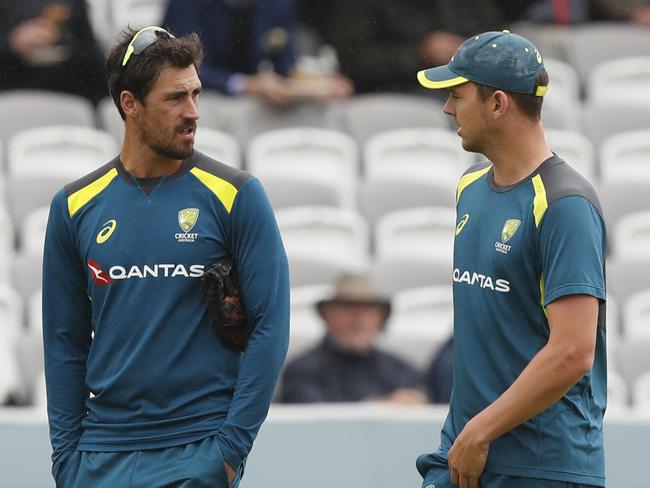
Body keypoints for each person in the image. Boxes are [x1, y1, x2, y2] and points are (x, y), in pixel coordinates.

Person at [42, 26, 289, 487]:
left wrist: (230, 450)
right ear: (129, 104)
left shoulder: (237, 195)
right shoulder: (73, 207)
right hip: (99, 456)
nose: (193, 112)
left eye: (196, 94)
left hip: (199, 449)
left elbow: (271, 326)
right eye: (175, 98)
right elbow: (64, 342)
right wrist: (66, 459)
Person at [414, 31, 607, 488]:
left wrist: (481, 429)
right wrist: (470, 435)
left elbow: (573, 351)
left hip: (541, 466)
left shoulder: (565, 205)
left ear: (498, 104)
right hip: (466, 453)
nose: (447, 109)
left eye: (457, 95)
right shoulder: (469, 187)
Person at [162, 0, 352, 105]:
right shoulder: (186, 4)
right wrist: (247, 85)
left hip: (252, 107)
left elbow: (286, 67)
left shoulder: (277, 5)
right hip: (198, 104)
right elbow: (180, 69)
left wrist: (315, 85)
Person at [280, 274, 427, 404]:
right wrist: (381, 407)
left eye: (367, 310)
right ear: (328, 316)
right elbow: (316, 418)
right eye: (347, 308)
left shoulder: (401, 370)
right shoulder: (302, 370)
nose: (358, 319)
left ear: (380, 320)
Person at [322, 0, 504, 95]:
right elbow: (352, 61)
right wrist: (420, 54)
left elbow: (495, 41)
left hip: (466, 89)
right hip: (393, 92)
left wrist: (473, 49)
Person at [0, 0, 106, 103]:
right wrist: (12, 42)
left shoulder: (73, 3)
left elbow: (93, 57)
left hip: (68, 96)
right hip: (11, 95)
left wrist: (60, 37)